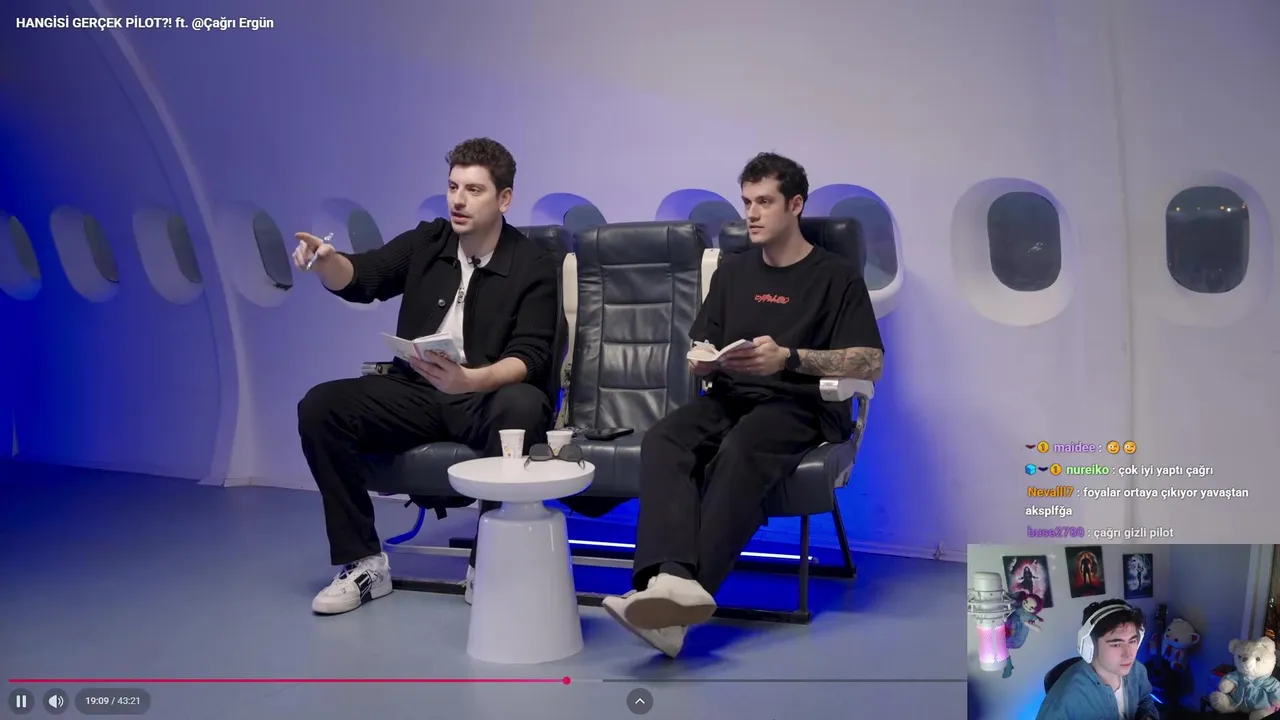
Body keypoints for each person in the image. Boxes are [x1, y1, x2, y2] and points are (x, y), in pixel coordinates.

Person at [601, 152, 885, 657]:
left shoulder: (835, 277)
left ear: (795, 205)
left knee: (741, 449)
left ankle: (680, 601)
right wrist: (703, 361)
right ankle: (667, 581)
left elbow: (870, 362)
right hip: (731, 395)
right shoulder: (733, 272)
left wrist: (789, 357)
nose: (751, 214)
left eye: (765, 202)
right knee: (665, 439)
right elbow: (702, 342)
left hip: (800, 405)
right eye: (747, 202)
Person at [294, 138, 561, 615]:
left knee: (522, 405)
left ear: (504, 199)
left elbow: (532, 355)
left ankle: (491, 561)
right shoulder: (428, 241)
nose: (458, 200)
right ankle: (364, 562)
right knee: (321, 406)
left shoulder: (533, 264)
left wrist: (470, 380)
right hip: (418, 390)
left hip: (485, 395)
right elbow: (365, 277)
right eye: (453, 187)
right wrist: (327, 262)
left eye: (474, 190)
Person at [1036, 599, 1160, 720]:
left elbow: (1145, 700)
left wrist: (1148, 716)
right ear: (1090, 645)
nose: (1129, 655)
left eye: (1132, 641)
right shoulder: (1063, 700)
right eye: (1116, 644)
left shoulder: (1137, 669)